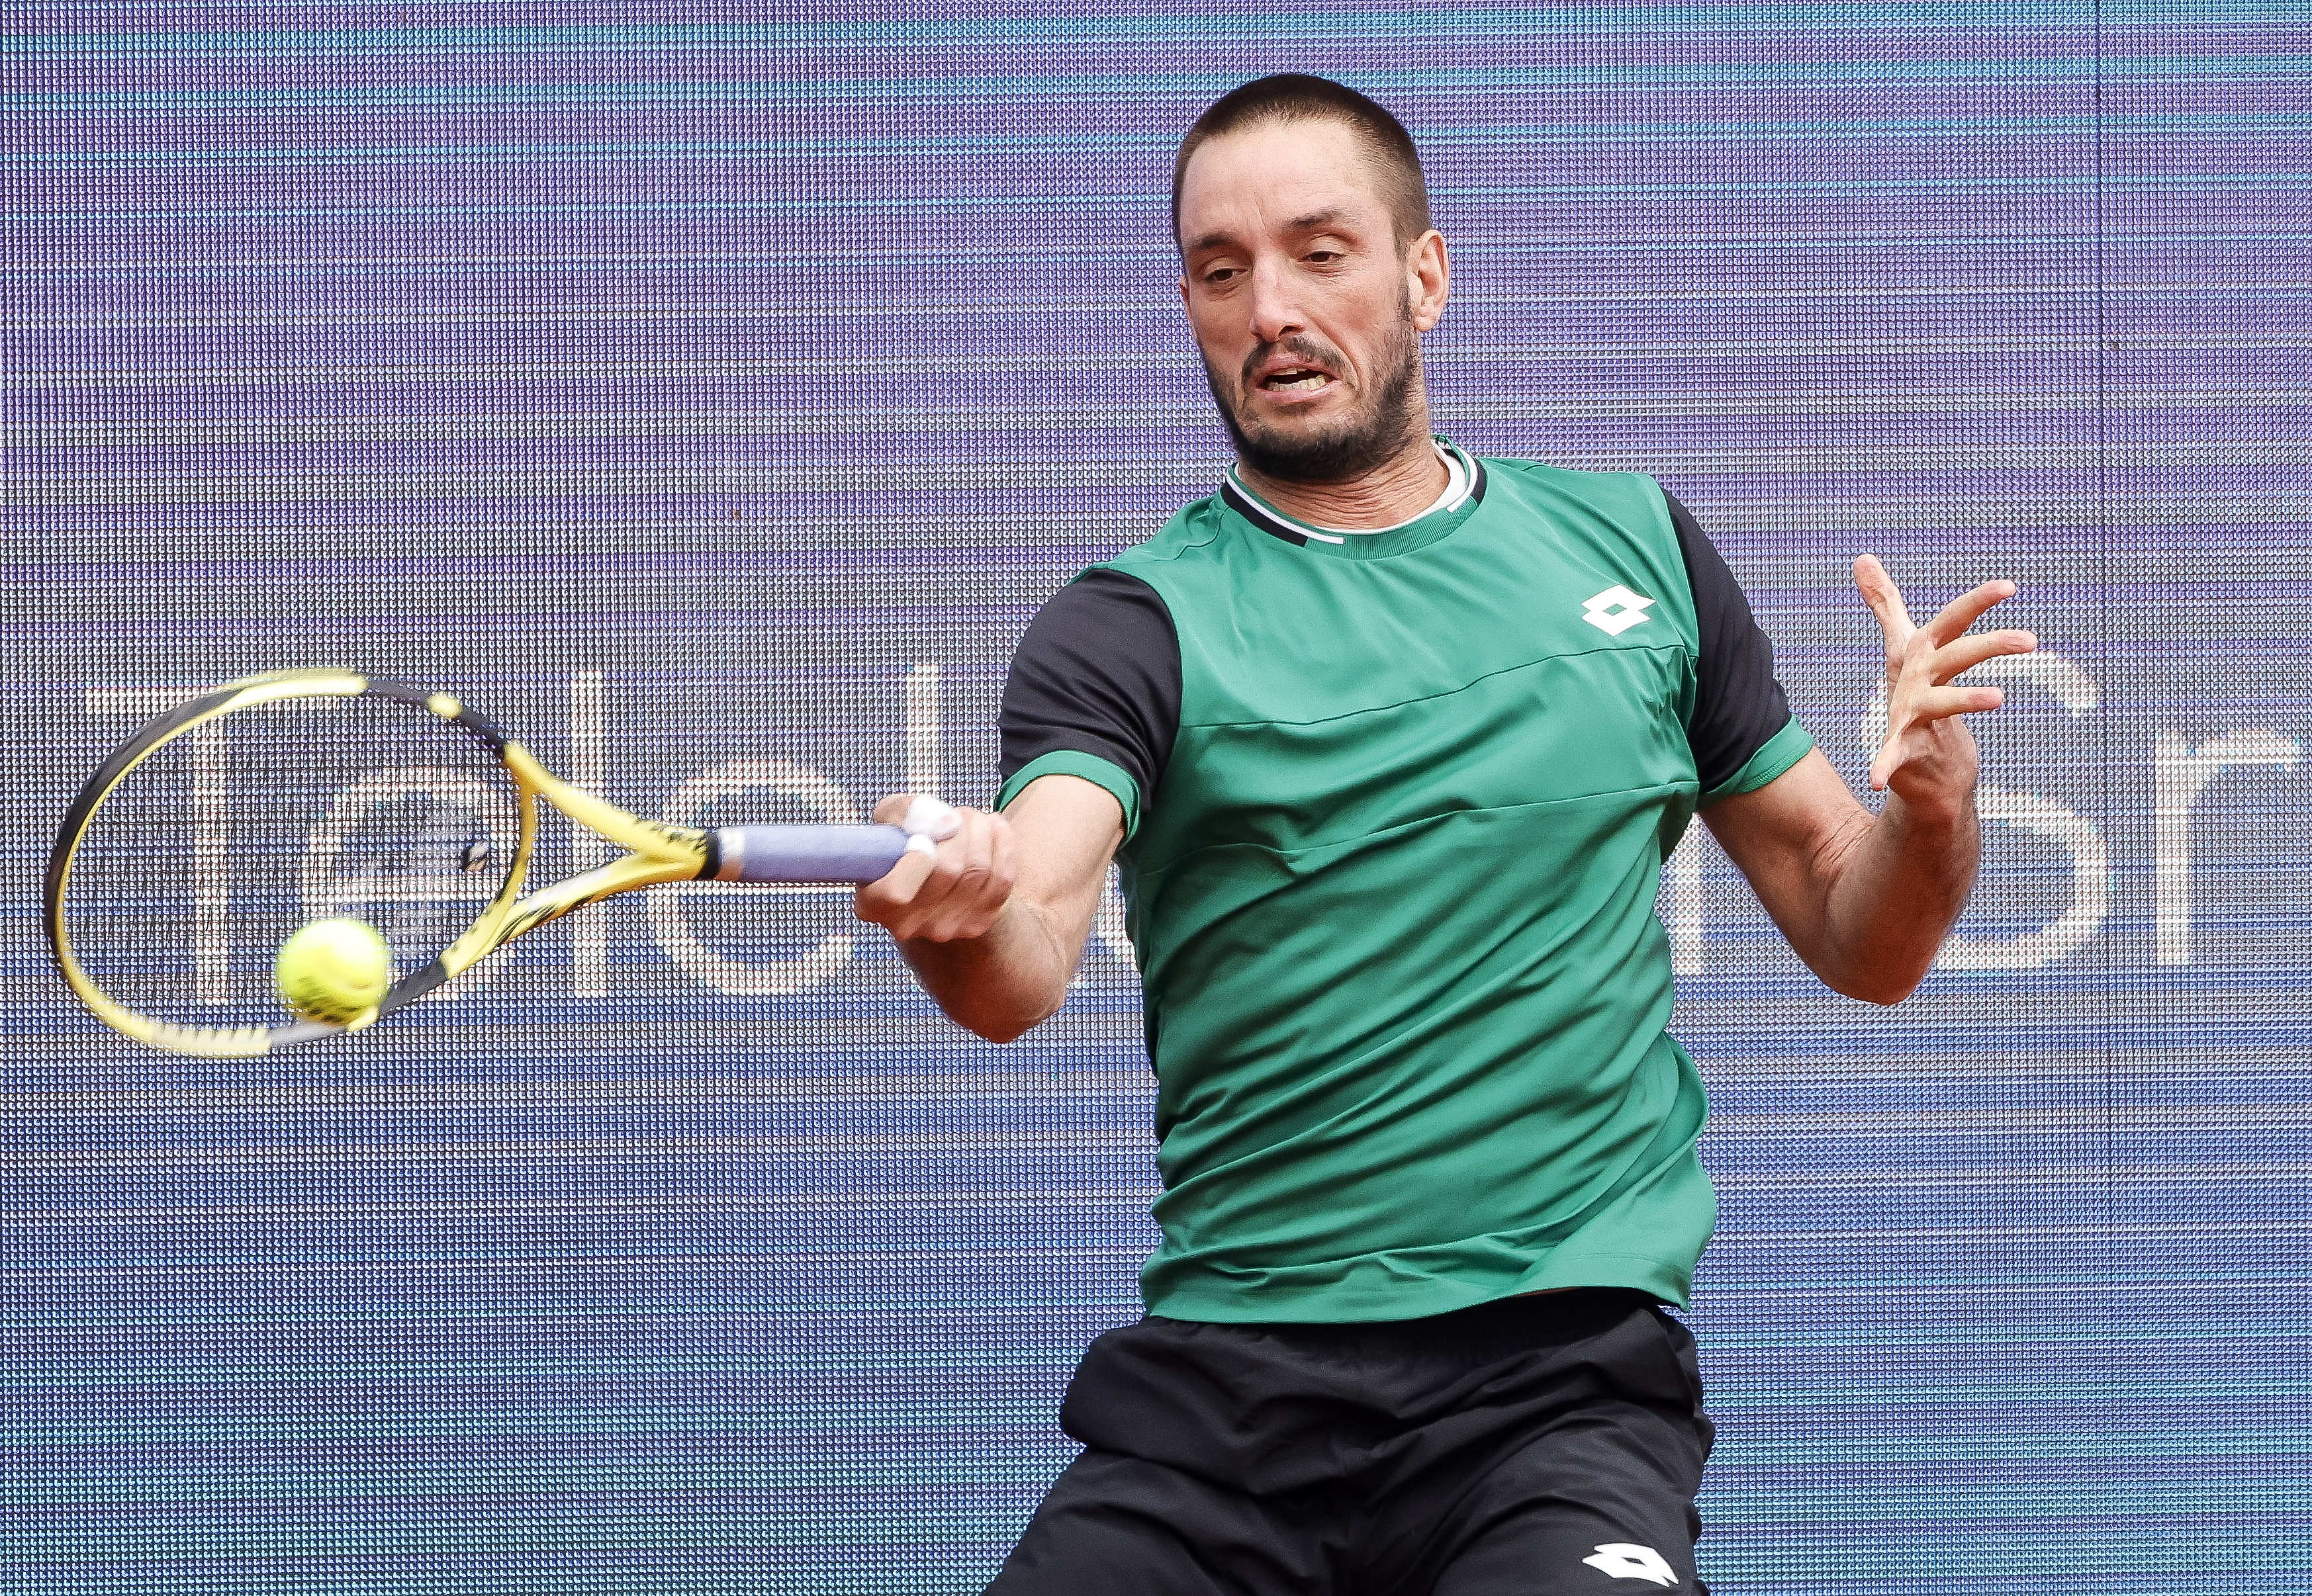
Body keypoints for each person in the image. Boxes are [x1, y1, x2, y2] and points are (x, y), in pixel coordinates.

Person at [854, 74, 2035, 1595]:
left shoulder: (1636, 553)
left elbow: (1857, 927)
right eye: (1222, 272)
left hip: (1556, 1396)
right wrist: (957, 911)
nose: (1270, 307)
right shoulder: (1129, 623)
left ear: (1425, 275)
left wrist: (1929, 815)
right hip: (1221, 1406)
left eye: (1319, 252)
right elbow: (1023, 949)